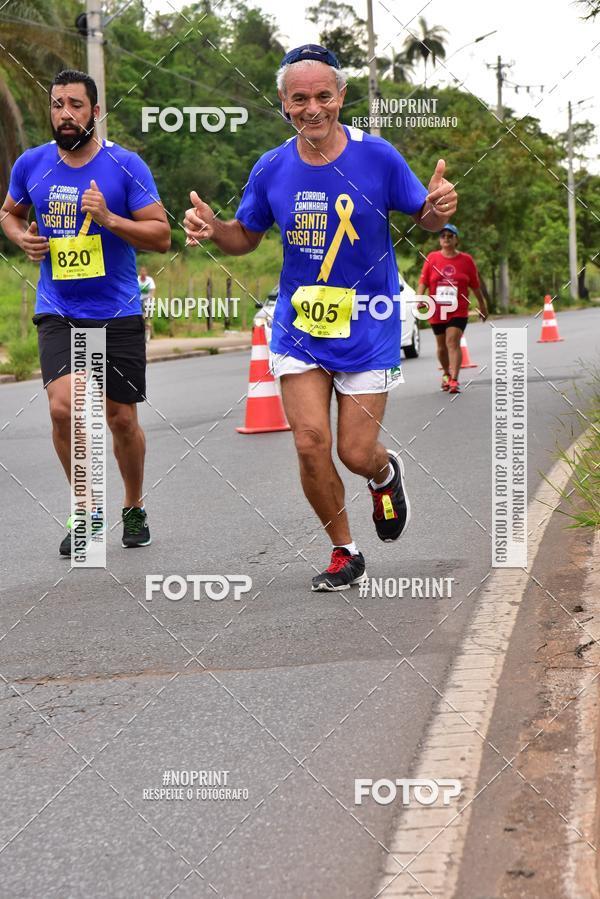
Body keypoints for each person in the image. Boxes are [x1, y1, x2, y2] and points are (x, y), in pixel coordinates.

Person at [183, 44, 457, 591]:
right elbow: (246, 236)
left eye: (323, 96)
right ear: (284, 103)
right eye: (300, 98)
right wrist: (217, 231)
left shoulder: (377, 156)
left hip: (369, 321)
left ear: (341, 97)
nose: (314, 108)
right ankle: (344, 550)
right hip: (299, 327)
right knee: (310, 441)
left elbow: (422, 216)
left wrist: (438, 206)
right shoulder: (271, 167)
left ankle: (384, 473)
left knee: (354, 451)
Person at [1, 69, 170, 555]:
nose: (65, 114)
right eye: (57, 105)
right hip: (59, 307)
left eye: (76, 105)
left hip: (116, 310)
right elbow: (8, 212)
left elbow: (161, 235)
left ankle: (133, 505)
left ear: (95, 112)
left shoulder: (125, 166)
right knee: (62, 407)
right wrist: (22, 237)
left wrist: (110, 219)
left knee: (120, 419)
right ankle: (88, 510)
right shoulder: (32, 164)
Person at [417, 224, 487, 393]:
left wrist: (482, 306)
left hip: (458, 309)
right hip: (437, 308)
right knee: (441, 346)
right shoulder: (432, 258)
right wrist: (420, 299)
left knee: (452, 341)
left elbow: (475, 286)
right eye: (443, 236)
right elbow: (423, 282)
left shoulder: (466, 260)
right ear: (439, 240)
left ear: (457, 240)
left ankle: (454, 379)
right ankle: (446, 374)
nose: (446, 238)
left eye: (450, 235)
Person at [138, 266, 156, 343]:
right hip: (138, 299)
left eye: (144, 272)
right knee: (139, 315)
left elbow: (152, 289)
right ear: (140, 272)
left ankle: (148, 324)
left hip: (147, 299)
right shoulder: (137, 279)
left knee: (146, 316)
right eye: (142, 272)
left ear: (146, 273)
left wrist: (151, 296)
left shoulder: (149, 280)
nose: (143, 273)